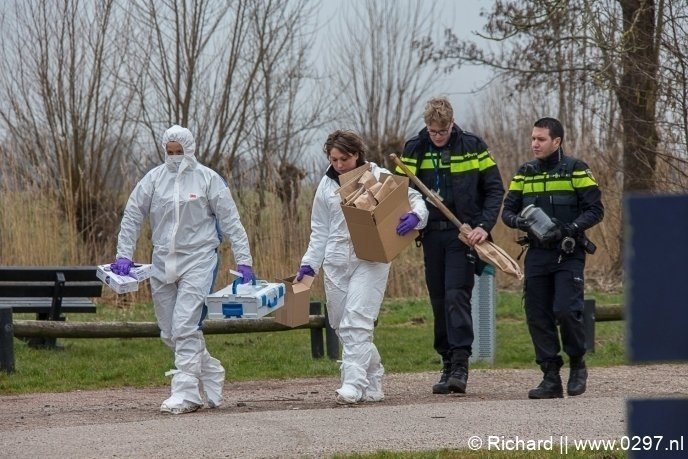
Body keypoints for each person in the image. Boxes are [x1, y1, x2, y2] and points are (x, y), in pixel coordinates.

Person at [111, 125, 254, 414]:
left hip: (199, 258)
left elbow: (230, 221)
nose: (175, 157)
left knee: (186, 325)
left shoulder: (208, 179)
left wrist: (245, 260)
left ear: (190, 150)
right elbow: (133, 214)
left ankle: (186, 393)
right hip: (162, 260)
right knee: (169, 332)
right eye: (170, 152)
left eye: (179, 152)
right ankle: (210, 369)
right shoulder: (154, 179)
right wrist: (124, 255)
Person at [296, 130, 428, 405]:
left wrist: (416, 216)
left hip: (371, 259)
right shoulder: (325, 186)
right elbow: (319, 230)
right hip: (335, 261)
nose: (339, 165)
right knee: (342, 324)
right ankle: (374, 374)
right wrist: (309, 265)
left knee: (358, 320)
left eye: (344, 158)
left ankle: (352, 385)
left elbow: (415, 199)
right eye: (334, 159)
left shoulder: (377, 177)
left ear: (357, 155)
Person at [396, 96, 504, 395]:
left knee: (457, 295)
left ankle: (460, 365)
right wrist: (408, 217)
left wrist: (483, 226)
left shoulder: (472, 146)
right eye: (433, 131)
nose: (438, 136)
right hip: (431, 235)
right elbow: (397, 191)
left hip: (463, 235)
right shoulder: (414, 149)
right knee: (439, 300)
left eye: (442, 131)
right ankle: (445, 361)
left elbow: (495, 189)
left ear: (451, 124)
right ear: (427, 127)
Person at [502, 117, 603, 399]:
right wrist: (521, 223)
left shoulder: (576, 169)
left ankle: (577, 364)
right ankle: (550, 377)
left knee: (566, 311)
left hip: (567, 253)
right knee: (536, 314)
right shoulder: (525, 172)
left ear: (556, 141)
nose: (535, 144)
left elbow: (596, 210)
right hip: (536, 254)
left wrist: (571, 228)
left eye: (541, 139)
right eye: (533, 138)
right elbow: (507, 212)